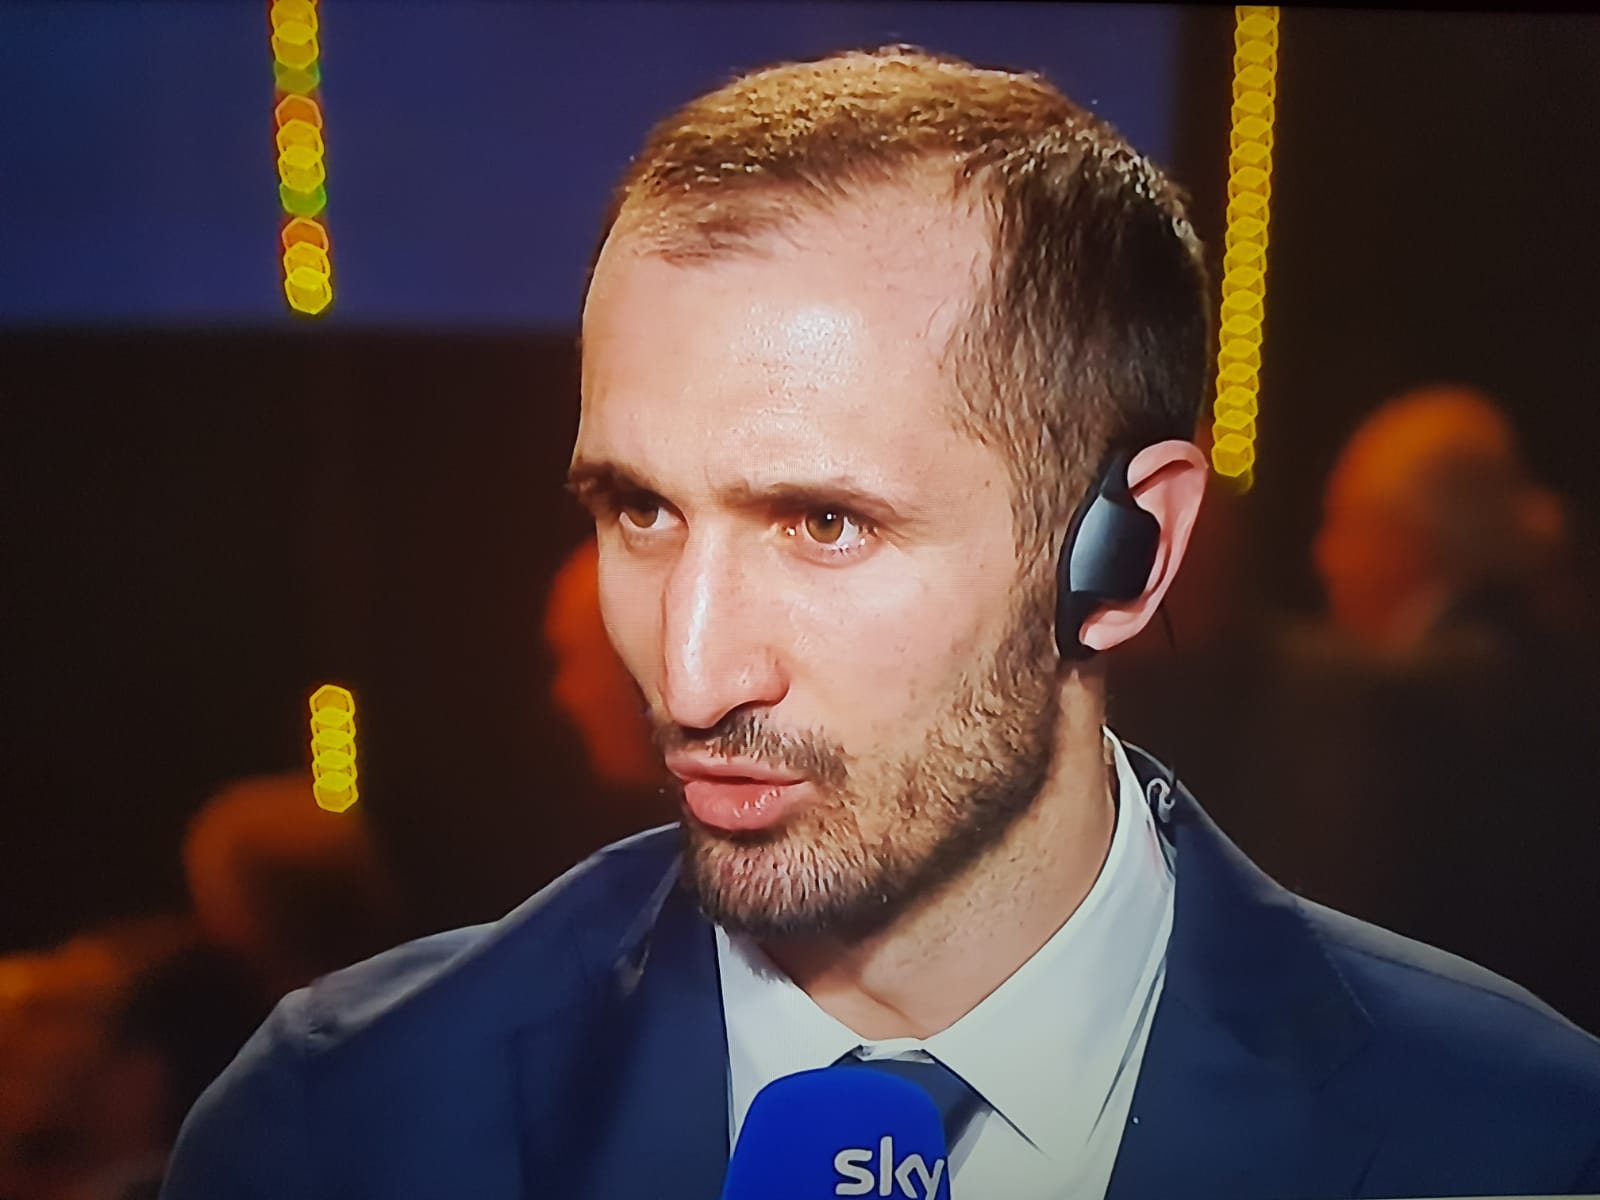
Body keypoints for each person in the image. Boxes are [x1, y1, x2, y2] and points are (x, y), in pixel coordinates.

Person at [163, 47, 1600, 1199]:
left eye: (824, 523)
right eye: (640, 510)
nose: (693, 672)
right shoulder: (343, 1125)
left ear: (1130, 551)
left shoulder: (1519, 1142)